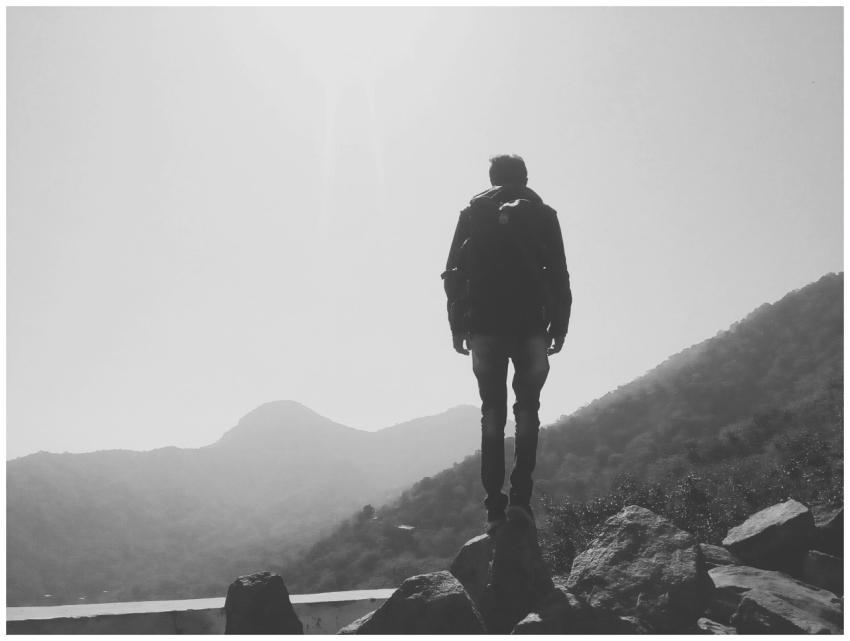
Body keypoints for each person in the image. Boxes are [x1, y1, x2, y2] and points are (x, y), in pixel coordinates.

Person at [441, 154, 572, 531]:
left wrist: (457, 326)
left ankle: (494, 508)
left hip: (484, 325)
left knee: (492, 413)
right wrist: (559, 326)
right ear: (525, 178)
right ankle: (520, 501)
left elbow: (453, 274)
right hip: (530, 325)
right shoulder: (543, 214)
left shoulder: (473, 213)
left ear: (491, 178)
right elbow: (559, 274)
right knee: (527, 410)